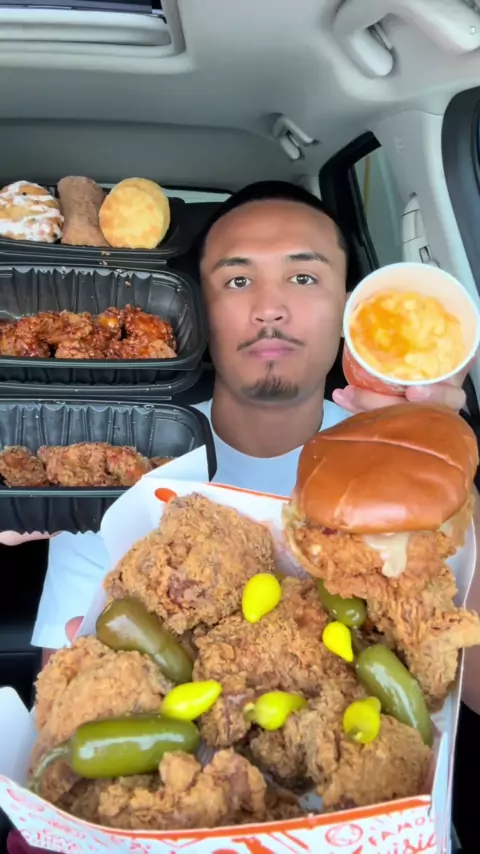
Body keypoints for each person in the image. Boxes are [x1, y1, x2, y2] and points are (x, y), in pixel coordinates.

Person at [2, 181, 474, 854]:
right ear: (198, 311)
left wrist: (449, 469)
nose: (270, 305)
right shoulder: (123, 465)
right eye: (237, 279)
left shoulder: (414, 471)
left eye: (304, 276)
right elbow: (69, 713)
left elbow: (465, 687)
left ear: (345, 306)